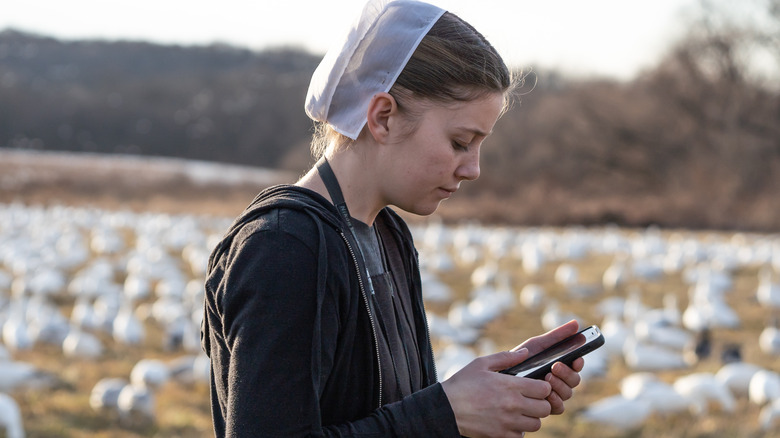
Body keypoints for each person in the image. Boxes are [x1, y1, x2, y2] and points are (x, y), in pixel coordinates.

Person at [201, 0, 585, 436]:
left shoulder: (389, 235)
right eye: (460, 142)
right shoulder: (284, 248)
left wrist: (482, 400)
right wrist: (444, 412)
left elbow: (389, 415)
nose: (473, 168)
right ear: (383, 117)